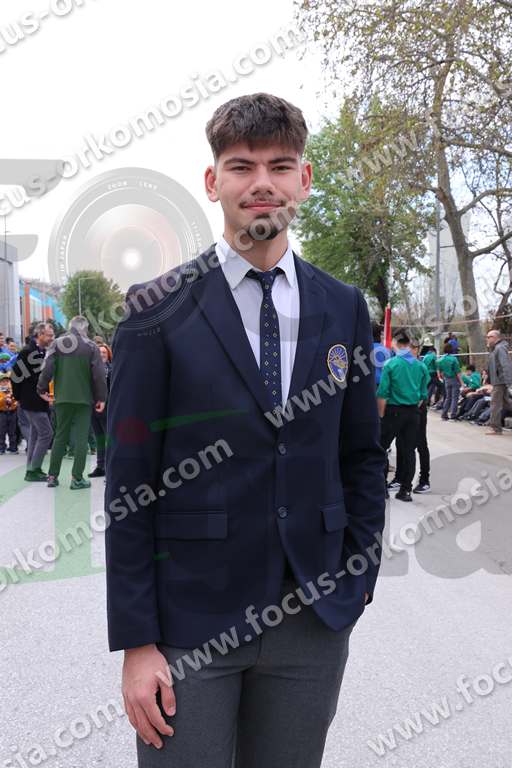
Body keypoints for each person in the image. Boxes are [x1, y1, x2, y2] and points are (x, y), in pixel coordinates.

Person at [105, 92, 386, 768]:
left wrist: (358, 575)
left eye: (280, 166)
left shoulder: (343, 306)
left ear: (304, 179)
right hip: (189, 623)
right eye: (241, 166)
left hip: (311, 620)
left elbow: (361, 457)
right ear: (213, 182)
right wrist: (137, 642)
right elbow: (129, 485)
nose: (262, 183)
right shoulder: (155, 310)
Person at [37, 316, 107, 489]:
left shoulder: (57, 344)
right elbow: (99, 375)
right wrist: (101, 398)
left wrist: (42, 389)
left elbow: (47, 368)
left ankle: (52, 476)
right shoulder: (91, 346)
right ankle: (77, 478)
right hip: (84, 399)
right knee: (82, 438)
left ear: (70, 327)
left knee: (60, 436)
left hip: (62, 398)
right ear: (85, 328)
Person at [377, 329, 428, 502]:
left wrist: (381, 415)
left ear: (396, 343)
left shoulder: (391, 364)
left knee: (382, 448)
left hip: (393, 410)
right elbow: (423, 395)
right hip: (413, 412)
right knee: (409, 451)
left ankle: (382, 487)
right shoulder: (421, 366)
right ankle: (406, 490)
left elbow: (383, 393)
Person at [10, 323, 54, 481]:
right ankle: (33, 470)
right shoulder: (27, 352)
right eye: (49, 335)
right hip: (31, 400)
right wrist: (19, 398)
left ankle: (31, 469)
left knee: (36, 435)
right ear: (40, 335)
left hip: (39, 401)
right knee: (46, 433)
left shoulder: (43, 352)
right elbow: (15, 376)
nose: (52, 338)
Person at [388, 339, 431, 493]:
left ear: (417, 349)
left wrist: (413, 405)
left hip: (417, 409)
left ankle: (424, 479)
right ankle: (399, 478)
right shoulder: (399, 364)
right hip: (404, 409)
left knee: (420, 443)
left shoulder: (420, 366)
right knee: (401, 443)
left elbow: (423, 391)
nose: (409, 351)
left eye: (412, 348)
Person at [88, 343, 112, 478]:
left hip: (107, 408)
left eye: (104, 352)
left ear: (108, 355)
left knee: (108, 438)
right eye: (99, 352)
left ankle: (109, 468)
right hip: (93, 408)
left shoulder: (111, 369)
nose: (102, 354)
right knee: (99, 438)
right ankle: (100, 466)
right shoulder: (90, 369)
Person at [485, 329, 512, 435]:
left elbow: (505, 365)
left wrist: (509, 382)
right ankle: (495, 427)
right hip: (498, 380)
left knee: (495, 404)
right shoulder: (495, 349)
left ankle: (495, 428)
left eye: (489, 337)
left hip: (500, 381)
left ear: (496, 338)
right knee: (506, 403)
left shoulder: (500, 348)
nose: (487, 339)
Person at [437, 342, 462, 420]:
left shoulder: (440, 360)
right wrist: (462, 382)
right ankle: (453, 414)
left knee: (448, 397)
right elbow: (458, 372)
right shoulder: (454, 359)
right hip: (454, 379)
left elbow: (439, 371)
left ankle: (444, 414)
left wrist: (442, 377)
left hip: (446, 379)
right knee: (455, 398)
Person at [0, 373, 18, 454]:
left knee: (12, 431)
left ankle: (13, 447)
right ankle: (1, 447)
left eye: (7, 381)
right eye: (3, 381)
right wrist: (4, 398)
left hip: (12, 412)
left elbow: (16, 400)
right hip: (2, 412)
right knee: (1, 431)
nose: (5, 383)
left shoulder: (12, 390)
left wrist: (13, 400)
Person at [371, 322, 392, 388]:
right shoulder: (386, 351)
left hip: (367, 383)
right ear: (379, 335)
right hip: (382, 383)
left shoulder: (363, 349)